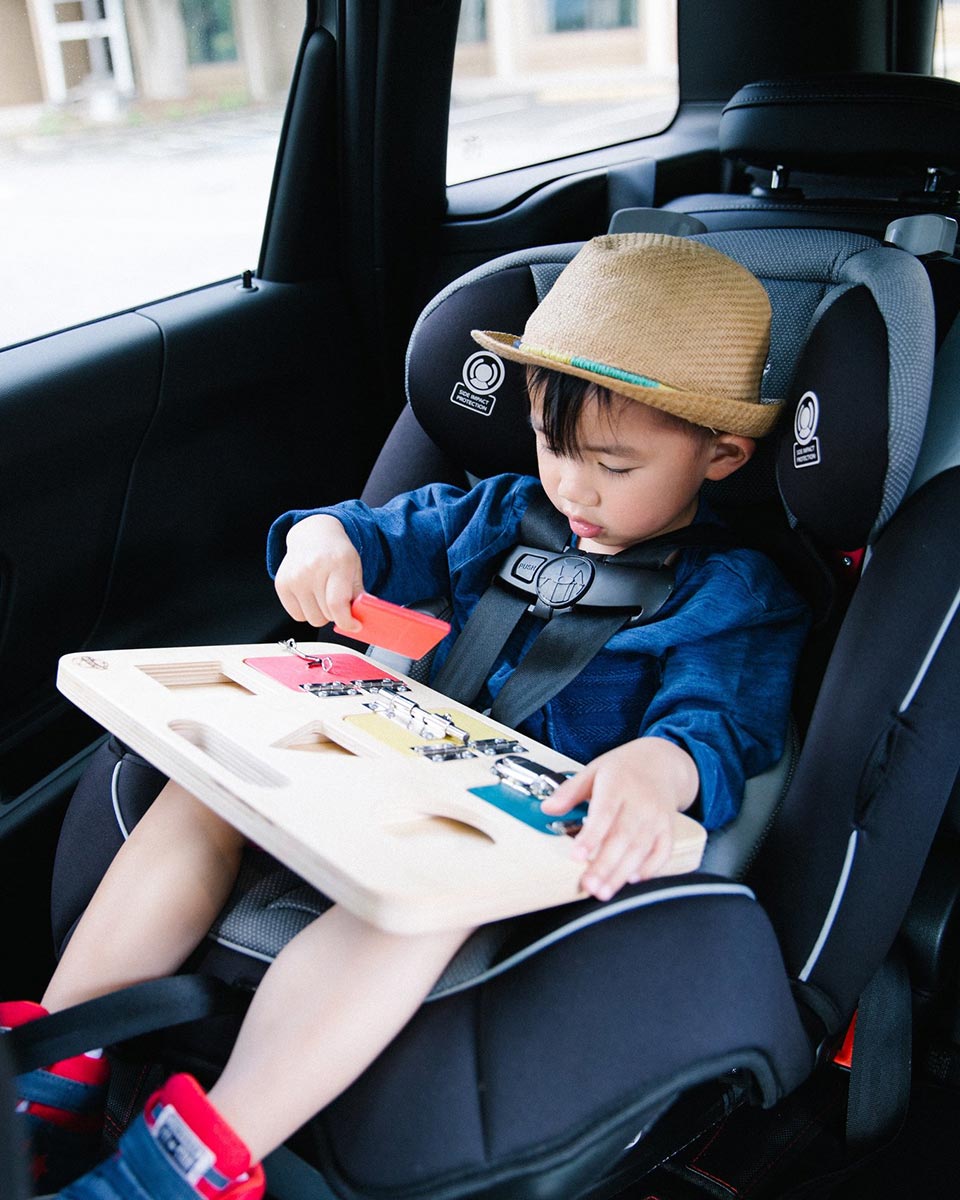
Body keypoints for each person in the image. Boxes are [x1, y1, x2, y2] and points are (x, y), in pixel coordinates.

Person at [3, 233, 809, 1200]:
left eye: (615, 464)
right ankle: (52, 1074)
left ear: (721, 454)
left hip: (524, 837)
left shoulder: (734, 597)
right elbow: (378, 532)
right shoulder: (500, 513)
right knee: (202, 789)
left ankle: (188, 1161)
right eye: (554, 446)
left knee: (414, 908)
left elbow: (717, 728)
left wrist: (657, 769)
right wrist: (324, 541)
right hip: (397, 761)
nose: (574, 487)